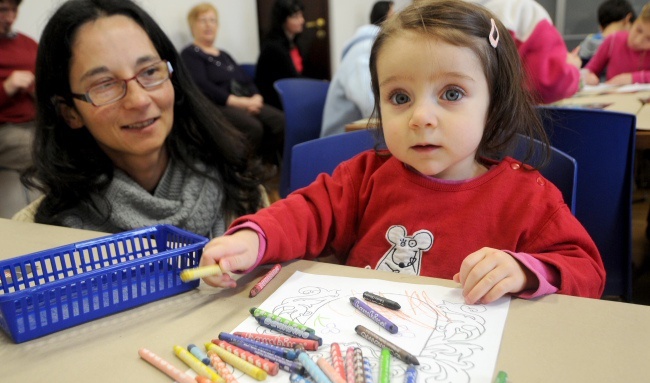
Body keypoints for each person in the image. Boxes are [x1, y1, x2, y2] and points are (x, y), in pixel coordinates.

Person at [198, 1, 605, 305]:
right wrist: (255, 239)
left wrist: (526, 271)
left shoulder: (527, 196)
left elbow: (587, 269)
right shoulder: (364, 177)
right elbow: (306, 212)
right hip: (361, 349)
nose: (421, 116)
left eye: (452, 93)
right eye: (399, 96)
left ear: (493, 103)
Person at [19, 0, 266, 238]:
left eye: (149, 71)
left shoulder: (239, 189)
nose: (139, 100)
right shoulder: (43, 232)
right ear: (70, 112)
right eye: (105, 84)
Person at [181, 3, 284, 166]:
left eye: (213, 20)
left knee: (279, 121)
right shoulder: (190, 54)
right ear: (192, 25)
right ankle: (242, 170)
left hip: (245, 100)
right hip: (218, 106)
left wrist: (256, 96)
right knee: (253, 127)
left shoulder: (224, 55)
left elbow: (245, 79)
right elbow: (203, 86)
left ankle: (261, 164)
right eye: (203, 20)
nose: (209, 25)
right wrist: (238, 102)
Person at [465, 0, 582, 104]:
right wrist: (574, 68)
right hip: (502, 120)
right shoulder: (526, 12)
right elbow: (549, 83)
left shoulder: (454, 11)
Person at [319, 1, 394, 138]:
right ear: (385, 22)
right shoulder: (362, 52)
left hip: (358, 138)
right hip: (339, 145)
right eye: (394, 17)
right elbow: (370, 106)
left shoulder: (374, 49)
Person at [0, 0, 37, 175]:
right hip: (6, 130)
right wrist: (6, 87)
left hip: (37, 122)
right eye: (3, 11)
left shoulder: (28, 45)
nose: (11, 18)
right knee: (42, 151)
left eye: (14, 11)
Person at [255, 0, 305, 110]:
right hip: (276, 100)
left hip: (291, 92)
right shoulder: (274, 47)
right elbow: (293, 79)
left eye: (301, 15)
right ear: (283, 20)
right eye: (295, 17)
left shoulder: (294, 42)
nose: (302, 20)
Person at [583, 3, 650, 86]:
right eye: (638, 30)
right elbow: (589, 70)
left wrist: (633, 78)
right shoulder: (613, 40)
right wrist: (589, 76)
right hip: (613, 97)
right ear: (634, 21)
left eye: (648, 39)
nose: (637, 41)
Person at [577, 0, 635, 66]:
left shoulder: (585, 46)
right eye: (637, 30)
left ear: (601, 27)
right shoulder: (627, 51)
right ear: (627, 19)